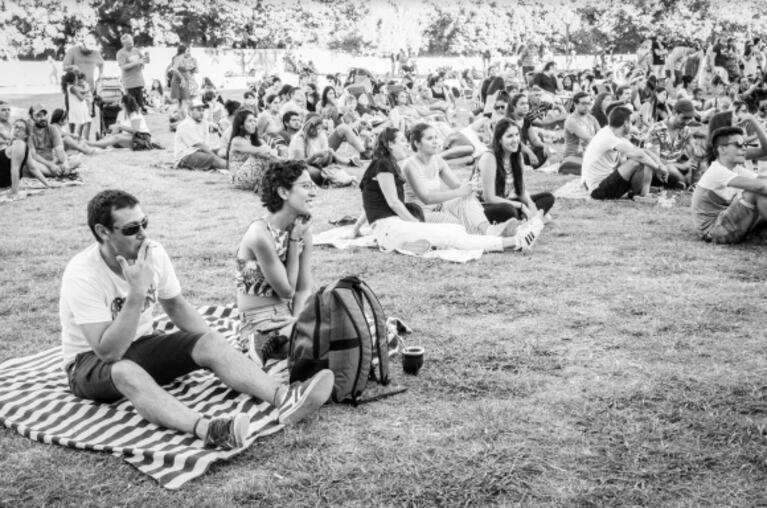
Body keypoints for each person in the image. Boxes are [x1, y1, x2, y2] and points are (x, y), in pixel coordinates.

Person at [60, 189, 334, 450]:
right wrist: (137, 292)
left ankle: (284, 398)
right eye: (131, 229)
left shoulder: (153, 252)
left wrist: (218, 348)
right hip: (89, 362)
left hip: (140, 343)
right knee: (124, 370)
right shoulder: (83, 274)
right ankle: (209, 430)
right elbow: (109, 352)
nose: (143, 234)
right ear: (103, 232)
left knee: (210, 340)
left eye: (144, 223)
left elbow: (177, 307)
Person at [352, 127, 541, 252]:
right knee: (455, 233)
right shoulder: (388, 165)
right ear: (391, 144)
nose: (405, 144)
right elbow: (394, 201)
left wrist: (357, 227)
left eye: (436, 138)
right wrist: (419, 226)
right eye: (401, 140)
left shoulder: (386, 165)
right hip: (403, 222)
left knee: (456, 228)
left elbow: (373, 200)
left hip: (394, 227)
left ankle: (496, 233)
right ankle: (514, 241)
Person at [235, 161, 317, 363]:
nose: (314, 192)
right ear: (283, 192)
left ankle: (291, 336)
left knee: (339, 326)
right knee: (315, 345)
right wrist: (294, 240)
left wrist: (298, 320)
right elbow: (287, 290)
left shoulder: (303, 231)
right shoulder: (260, 235)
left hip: (287, 316)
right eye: (306, 186)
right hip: (258, 323)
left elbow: (303, 288)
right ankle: (264, 345)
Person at [402, 123, 528, 238]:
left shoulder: (437, 160)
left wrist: (471, 187)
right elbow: (427, 198)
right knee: (459, 227)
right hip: (422, 213)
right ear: (417, 144)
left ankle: (489, 230)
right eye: (430, 139)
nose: (435, 142)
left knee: (467, 199)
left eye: (436, 137)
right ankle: (493, 236)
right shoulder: (410, 165)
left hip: (439, 207)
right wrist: (461, 191)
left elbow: (457, 186)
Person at [692, 126, 767, 243]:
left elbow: (763, 180)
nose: (744, 149)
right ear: (722, 149)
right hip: (713, 232)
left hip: (727, 224)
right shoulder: (717, 171)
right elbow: (760, 186)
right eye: (738, 145)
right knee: (756, 191)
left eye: (745, 145)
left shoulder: (735, 168)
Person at [475, 119, 555, 225]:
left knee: (548, 197)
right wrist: (521, 206)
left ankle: (523, 219)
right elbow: (488, 198)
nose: (515, 140)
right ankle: (530, 219)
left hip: (507, 201)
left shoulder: (517, 156)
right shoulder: (489, 158)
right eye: (510, 136)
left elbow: (520, 189)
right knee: (509, 211)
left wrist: (530, 204)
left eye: (517, 135)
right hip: (485, 206)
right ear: (499, 139)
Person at [581, 106, 671, 200]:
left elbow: (644, 152)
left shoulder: (612, 132)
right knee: (638, 160)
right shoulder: (608, 138)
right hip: (598, 190)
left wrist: (660, 165)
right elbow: (639, 156)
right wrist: (657, 169)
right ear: (625, 123)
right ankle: (644, 195)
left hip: (605, 182)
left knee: (644, 157)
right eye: (631, 123)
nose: (633, 126)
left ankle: (643, 193)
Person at [644, 99, 698, 188]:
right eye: (684, 118)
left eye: (689, 119)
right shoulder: (657, 129)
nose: (687, 122)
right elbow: (654, 160)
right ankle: (687, 184)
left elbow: (694, 151)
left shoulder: (686, 130)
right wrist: (681, 166)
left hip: (676, 167)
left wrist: (695, 157)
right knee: (670, 168)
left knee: (697, 163)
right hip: (658, 170)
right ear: (674, 113)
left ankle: (688, 183)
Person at [228, 109, 276, 193]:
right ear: (241, 125)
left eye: (254, 121)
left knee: (271, 157)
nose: (253, 123)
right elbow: (257, 151)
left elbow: (269, 152)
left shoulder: (257, 140)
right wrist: (269, 150)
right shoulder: (237, 141)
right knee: (260, 156)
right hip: (238, 179)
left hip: (251, 176)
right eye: (250, 121)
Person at [27, 103, 80, 177]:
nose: (43, 118)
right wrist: (50, 165)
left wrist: (65, 164)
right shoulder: (29, 131)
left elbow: (60, 150)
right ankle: (56, 172)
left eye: (44, 115)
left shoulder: (52, 129)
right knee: (30, 164)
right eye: (38, 116)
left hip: (52, 161)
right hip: (39, 162)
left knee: (76, 160)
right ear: (31, 118)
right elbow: (33, 155)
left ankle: (55, 172)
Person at [174, 97, 227, 170]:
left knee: (223, 151)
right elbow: (199, 145)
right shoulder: (185, 125)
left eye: (203, 110)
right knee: (212, 158)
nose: (202, 113)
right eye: (198, 110)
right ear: (190, 111)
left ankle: (238, 164)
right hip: (186, 155)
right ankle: (235, 167)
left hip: (200, 152)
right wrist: (216, 156)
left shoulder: (203, 123)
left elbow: (215, 127)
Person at [560, 92, 600, 175]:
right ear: (575, 104)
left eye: (589, 103)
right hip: (573, 156)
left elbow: (601, 135)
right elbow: (588, 138)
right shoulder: (571, 120)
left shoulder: (591, 118)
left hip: (587, 154)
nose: (587, 106)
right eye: (584, 103)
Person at [116, 34, 147, 113]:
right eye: (129, 44)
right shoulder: (120, 53)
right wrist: (136, 62)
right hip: (129, 83)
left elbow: (143, 60)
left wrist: (146, 60)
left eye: (132, 42)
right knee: (131, 104)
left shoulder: (136, 50)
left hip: (139, 81)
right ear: (124, 44)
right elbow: (123, 67)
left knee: (140, 104)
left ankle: (140, 116)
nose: (131, 45)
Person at [169, 45, 198, 111]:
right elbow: (175, 69)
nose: (188, 52)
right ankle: (185, 114)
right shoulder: (178, 58)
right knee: (185, 100)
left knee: (181, 101)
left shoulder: (180, 58)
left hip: (182, 81)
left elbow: (180, 68)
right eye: (187, 51)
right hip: (179, 81)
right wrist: (182, 78)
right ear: (184, 51)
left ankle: (180, 115)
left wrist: (190, 69)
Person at [67, 72, 91, 139]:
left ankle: (78, 137)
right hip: (78, 108)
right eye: (76, 79)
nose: (77, 81)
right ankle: (79, 138)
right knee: (82, 123)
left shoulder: (71, 87)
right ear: (73, 80)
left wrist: (84, 91)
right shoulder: (73, 88)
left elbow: (79, 92)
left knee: (81, 123)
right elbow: (81, 98)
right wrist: (86, 94)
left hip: (77, 107)